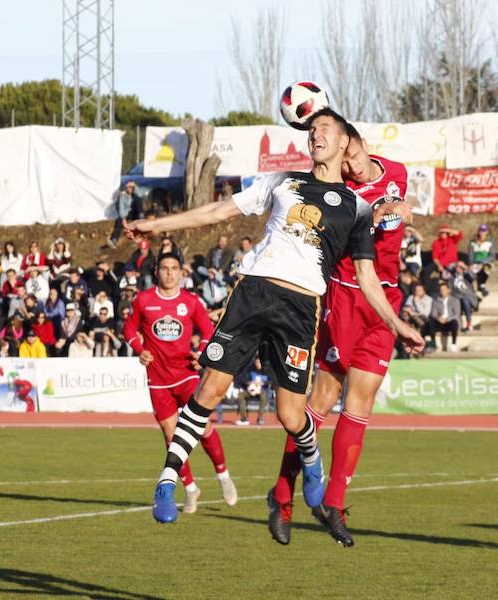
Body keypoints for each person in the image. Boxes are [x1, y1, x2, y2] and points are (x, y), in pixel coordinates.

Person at [125, 108, 424, 525]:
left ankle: (311, 456)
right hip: (252, 293)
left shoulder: (356, 208)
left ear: (343, 142)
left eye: (326, 130)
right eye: (312, 129)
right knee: (209, 390)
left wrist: (398, 324)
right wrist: (155, 226)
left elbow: (367, 278)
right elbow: (217, 212)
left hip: (300, 309)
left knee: (290, 415)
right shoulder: (284, 182)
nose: (316, 135)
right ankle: (168, 480)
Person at [268, 123, 413, 546]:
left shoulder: (397, 171)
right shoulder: (344, 196)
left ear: (363, 145)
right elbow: (369, 219)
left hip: (386, 300)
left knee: (362, 400)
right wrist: (387, 212)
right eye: (341, 162)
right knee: (321, 399)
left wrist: (404, 208)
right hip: (347, 296)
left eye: (350, 156)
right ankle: (282, 495)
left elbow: (403, 204)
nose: (347, 166)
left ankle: (334, 502)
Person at [124, 252, 239, 515]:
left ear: (181, 272)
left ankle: (223, 476)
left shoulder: (191, 301)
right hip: (158, 379)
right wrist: (139, 348)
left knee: (204, 427)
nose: (169, 273)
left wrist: (203, 353)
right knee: (170, 436)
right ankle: (190, 488)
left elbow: (208, 331)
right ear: (157, 271)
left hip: (187, 374)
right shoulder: (143, 300)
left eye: (174, 268)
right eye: (164, 268)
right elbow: (129, 329)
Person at [109, 181, 143, 248]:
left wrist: (135, 185)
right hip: (126, 213)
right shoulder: (122, 196)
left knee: (138, 200)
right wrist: (123, 218)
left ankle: (141, 218)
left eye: (131, 187)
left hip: (134, 212)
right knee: (119, 221)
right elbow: (121, 208)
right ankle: (114, 239)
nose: (130, 189)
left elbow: (140, 195)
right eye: (128, 187)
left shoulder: (134, 196)